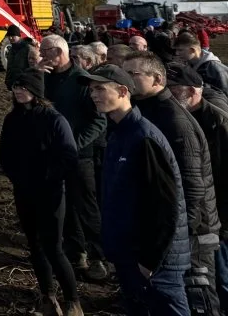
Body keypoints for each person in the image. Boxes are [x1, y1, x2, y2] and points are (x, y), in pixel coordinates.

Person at [85, 64, 190, 315]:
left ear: (122, 91)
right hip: (129, 255)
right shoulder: (119, 134)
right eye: (91, 90)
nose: (93, 95)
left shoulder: (143, 137)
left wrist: (149, 260)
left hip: (154, 263)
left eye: (100, 89)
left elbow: (165, 205)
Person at [123, 52, 221, 314]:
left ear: (157, 79)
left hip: (192, 234)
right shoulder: (144, 111)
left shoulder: (174, 121)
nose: (127, 80)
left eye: (133, 74)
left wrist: (176, 237)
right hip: (166, 231)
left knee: (198, 298)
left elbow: (192, 187)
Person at [0, 70, 82, 316]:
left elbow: (69, 156)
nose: (18, 91)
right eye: (15, 87)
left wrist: (48, 176)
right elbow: (4, 153)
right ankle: (48, 296)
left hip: (50, 193)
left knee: (54, 248)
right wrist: (16, 176)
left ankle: (73, 300)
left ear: (36, 90)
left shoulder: (54, 119)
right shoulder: (12, 119)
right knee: (34, 245)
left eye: (23, 87)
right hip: (23, 191)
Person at [40, 34, 108, 281]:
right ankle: (76, 250)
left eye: (45, 51)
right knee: (64, 207)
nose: (41, 55)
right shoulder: (45, 78)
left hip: (80, 157)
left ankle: (99, 257)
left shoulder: (82, 81)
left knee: (86, 207)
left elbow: (98, 121)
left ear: (58, 52)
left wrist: (74, 145)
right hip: (52, 155)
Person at [168, 62, 228, 309]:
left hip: (217, 215)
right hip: (197, 211)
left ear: (193, 91)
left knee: (219, 272)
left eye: (174, 90)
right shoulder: (175, 118)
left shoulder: (217, 122)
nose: (169, 95)